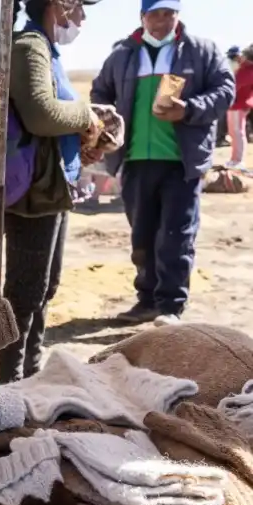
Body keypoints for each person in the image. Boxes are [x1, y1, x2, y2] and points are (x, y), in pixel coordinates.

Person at [90, 0, 234, 327]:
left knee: (175, 235)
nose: (161, 21)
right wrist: (106, 126)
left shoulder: (202, 51)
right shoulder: (123, 55)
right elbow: (100, 93)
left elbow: (225, 90)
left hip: (181, 162)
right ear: (142, 17)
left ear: (178, 15)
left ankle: (170, 306)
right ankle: (146, 300)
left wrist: (189, 109)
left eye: (168, 13)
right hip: (136, 159)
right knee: (142, 236)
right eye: (154, 14)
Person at [0, 0, 103, 383]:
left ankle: (31, 375)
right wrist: (85, 115)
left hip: (51, 188)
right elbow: (41, 114)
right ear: (61, 4)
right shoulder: (28, 46)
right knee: (25, 293)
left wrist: (87, 137)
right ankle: (9, 385)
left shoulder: (45, 47)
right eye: (80, 7)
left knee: (44, 288)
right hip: (31, 194)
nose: (83, 18)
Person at [227, 45, 253, 170]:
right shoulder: (244, 68)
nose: (241, 57)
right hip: (235, 105)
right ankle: (234, 159)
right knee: (234, 133)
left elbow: (234, 86)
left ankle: (238, 160)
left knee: (238, 133)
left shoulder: (248, 70)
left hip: (239, 104)